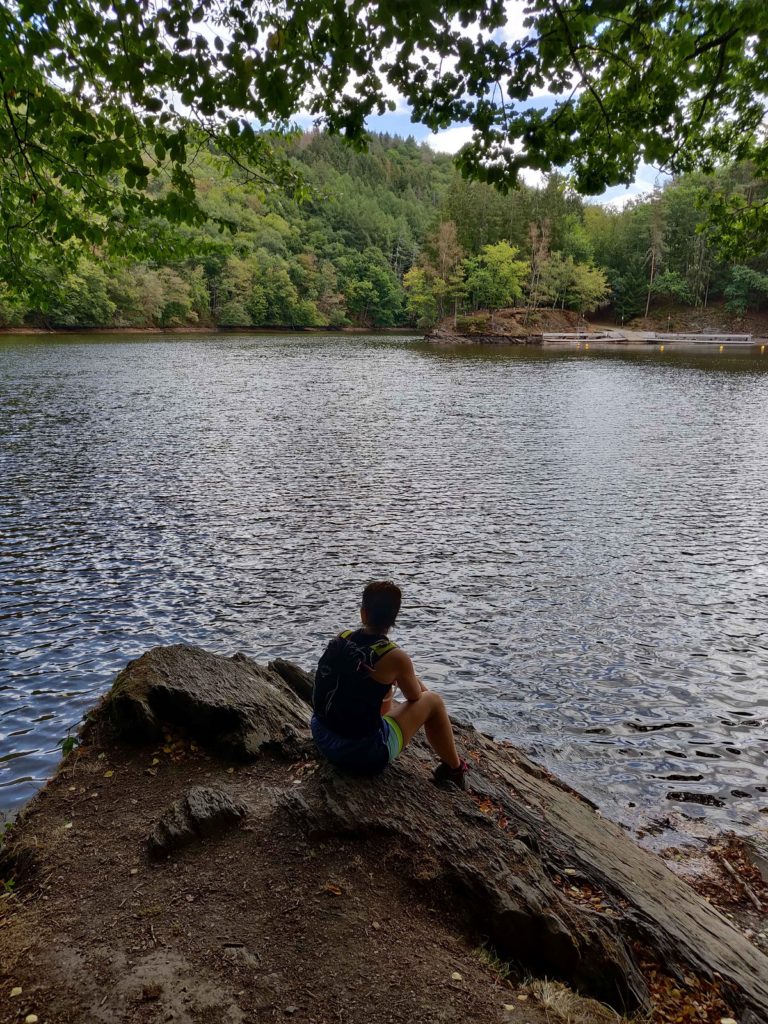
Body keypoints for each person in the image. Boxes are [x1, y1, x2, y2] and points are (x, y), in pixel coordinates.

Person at [311, 581, 469, 789]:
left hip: (322, 736)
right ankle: (454, 769)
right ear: (393, 619)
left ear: (363, 614)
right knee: (434, 701)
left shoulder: (343, 638)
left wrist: (394, 677)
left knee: (379, 685)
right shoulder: (394, 657)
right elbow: (415, 697)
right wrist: (408, 676)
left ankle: (381, 724)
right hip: (363, 755)